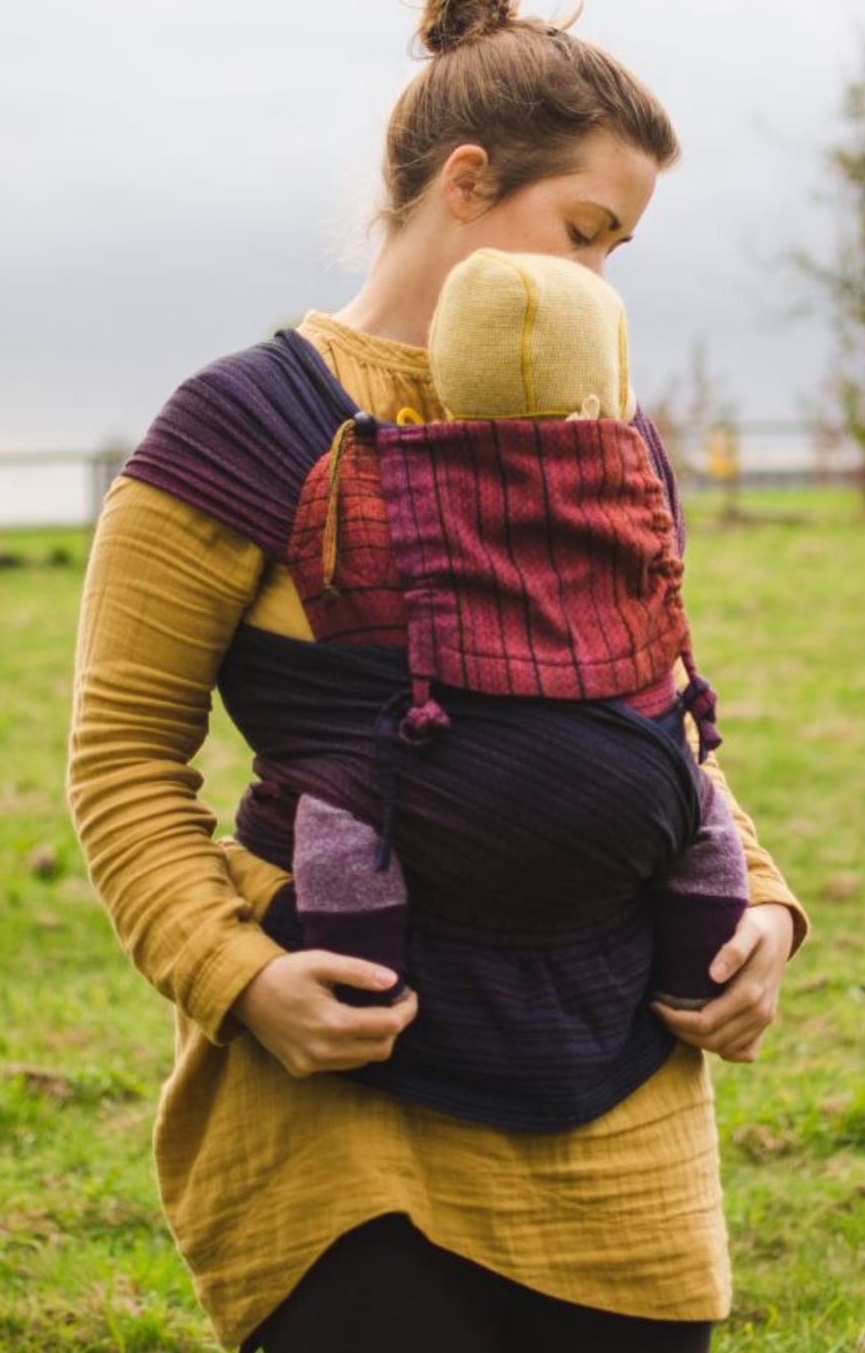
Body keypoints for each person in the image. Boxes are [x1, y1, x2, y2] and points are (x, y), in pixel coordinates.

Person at [67, 0, 807, 1353]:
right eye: (583, 231)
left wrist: (764, 906)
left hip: (624, 1098)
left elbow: (650, 717)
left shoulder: (612, 432)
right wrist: (237, 979)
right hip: (353, 1105)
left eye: (618, 250)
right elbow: (121, 759)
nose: (600, 275)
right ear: (466, 182)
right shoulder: (241, 429)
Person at [287, 245, 750, 1014]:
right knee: (701, 813)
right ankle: (703, 968)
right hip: (627, 778)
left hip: (434, 765)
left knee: (342, 812)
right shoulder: (630, 484)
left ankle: (360, 978)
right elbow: (663, 600)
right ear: (598, 400)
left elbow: (337, 589)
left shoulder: (376, 467)